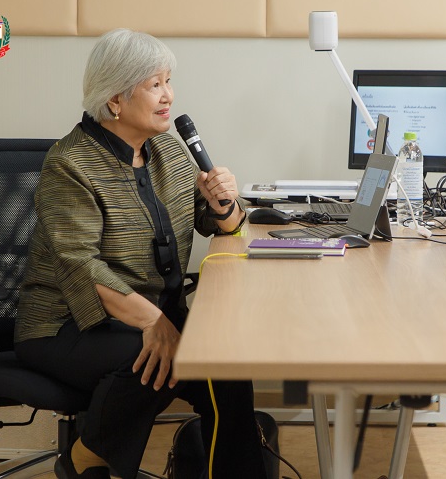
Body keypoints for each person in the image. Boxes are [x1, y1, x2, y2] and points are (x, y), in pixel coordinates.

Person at [14, 28, 266, 479]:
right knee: (164, 359)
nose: (169, 95)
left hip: (150, 315)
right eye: (155, 84)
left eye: (168, 81)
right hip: (66, 325)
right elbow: (80, 266)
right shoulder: (69, 165)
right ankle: (85, 460)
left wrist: (224, 203)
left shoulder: (166, 149)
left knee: (226, 364)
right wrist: (155, 322)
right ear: (115, 99)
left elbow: (215, 220)